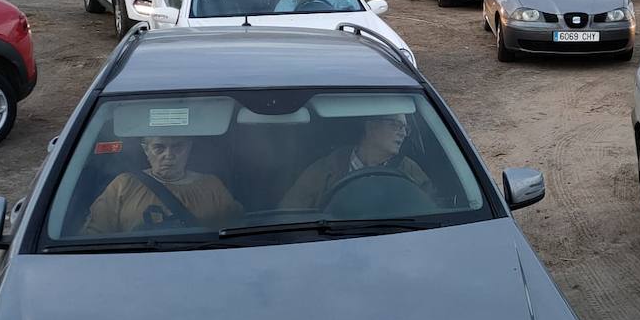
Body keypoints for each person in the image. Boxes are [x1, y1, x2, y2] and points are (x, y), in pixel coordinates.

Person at [85, 136, 242, 234]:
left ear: (189, 148)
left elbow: (235, 232)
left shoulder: (211, 186)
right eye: (159, 147)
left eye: (178, 147)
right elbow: (95, 234)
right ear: (146, 150)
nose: (169, 155)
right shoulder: (124, 184)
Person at [281, 110, 436, 209]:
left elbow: (431, 210)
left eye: (405, 128)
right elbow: (289, 213)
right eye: (395, 125)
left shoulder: (410, 170)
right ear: (370, 127)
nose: (403, 133)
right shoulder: (326, 168)